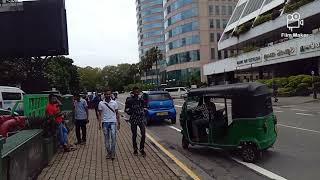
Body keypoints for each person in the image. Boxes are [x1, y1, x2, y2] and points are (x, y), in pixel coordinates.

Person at [98, 89, 120, 160]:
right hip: (105, 123)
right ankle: (109, 152)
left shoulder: (114, 103)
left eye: (109, 94)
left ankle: (113, 153)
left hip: (113, 122)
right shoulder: (101, 103)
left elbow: (117, 113)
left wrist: (118, 122)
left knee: (113, 138)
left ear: (111, 94)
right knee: (106, 139)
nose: (107, 95)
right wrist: (99, 123)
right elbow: (100, 114)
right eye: (106, 94)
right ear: (104, 95)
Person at [125, 87, 146, 157]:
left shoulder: (141, 99)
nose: (137, 93)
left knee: (143, 133)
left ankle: (142, 148)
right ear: (133, 92)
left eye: (138, 92)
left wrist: (143, 111)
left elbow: (144, 106)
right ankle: (135, 149)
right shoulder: (129, 100)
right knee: (134, 135)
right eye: (135, 92)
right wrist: (130, 112)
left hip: (141, 119)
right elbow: (126, 109)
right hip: (133, 119)